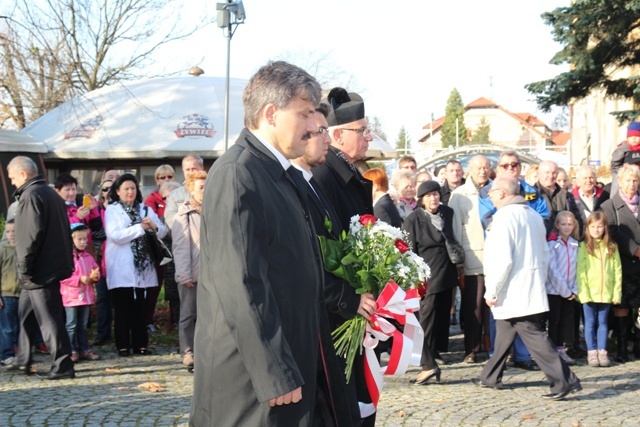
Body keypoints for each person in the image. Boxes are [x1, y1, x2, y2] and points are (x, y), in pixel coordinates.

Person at [191, 61, 355, 426]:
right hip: (252, 378)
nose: (315, 124)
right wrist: (274, 370)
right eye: (305, 113)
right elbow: (242, 283)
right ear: (270, 114)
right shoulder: (239, 173)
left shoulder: (279, 172)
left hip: (296, 355)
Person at [291, 102, 368, 426]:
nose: (325, 139)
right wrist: (349, 298)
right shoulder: (317, 178)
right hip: (326, 318)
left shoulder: (315, 179)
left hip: (340, 311)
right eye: (318, 132)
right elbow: (310, 260)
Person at [472, 175, 581, 400]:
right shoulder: (532, 214)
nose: (489, 196)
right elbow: (544, 254)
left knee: (533, 335)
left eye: (491, 192)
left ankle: (565, 380)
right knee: (504, 332)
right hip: (528, 286)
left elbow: (501, 260)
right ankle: (490, 376)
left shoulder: (503, 218)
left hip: (512, 289)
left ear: (501, 193)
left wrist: (492, 291)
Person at [312, 86, 376, 425]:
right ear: (337, 135)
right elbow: (326, 249)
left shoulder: (347, 174)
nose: (368, 137)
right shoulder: (324, 177)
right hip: (339, 310)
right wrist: (349, 296)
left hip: (355, 305)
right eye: (362, 130)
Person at [3, 156, 75, 380]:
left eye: (13, 178)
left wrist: (24, 268)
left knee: (49, 320)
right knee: (25, 315)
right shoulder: (50, 194)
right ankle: (23, 358)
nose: (13, 183)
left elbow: (28, 237)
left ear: (23, 175)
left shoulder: (31, 195)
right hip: (47, 267)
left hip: (39, 271)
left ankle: (63, 365)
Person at [479, 150, 549, 371]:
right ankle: (493, 370)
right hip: (515, 274)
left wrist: (492, 291)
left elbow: (502, 260)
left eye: (515, 165)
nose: (511, 169)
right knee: (503, 327)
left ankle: (560, 377)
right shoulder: (528, 212)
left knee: (529, 330)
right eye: (505, 165)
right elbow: (486, 218)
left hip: (519, 275)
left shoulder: (522, 201)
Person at [104, 173, 167, 357]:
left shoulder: (145, 209)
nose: (130, 192)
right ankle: (122, 345)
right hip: (121, 265)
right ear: (118, 191)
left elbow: (162, 231)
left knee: (141, 307)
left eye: (133, 188)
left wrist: (153, 226)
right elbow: (115, 235)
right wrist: (140, 228)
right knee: (123, 307)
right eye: (126, 189)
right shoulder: (113, 210)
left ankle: (141, 344)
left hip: (143, 265)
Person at [404, 180, 457, 385]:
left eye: (436, 194)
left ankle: (433, 353)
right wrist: (415, 281)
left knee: (441, 315)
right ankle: (425, 361)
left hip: (447, 272)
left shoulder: (448, 213)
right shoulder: (414, 219)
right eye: (428, 196)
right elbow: (408, 252)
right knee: (425, 318)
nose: (433, 198)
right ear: (421, 200)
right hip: (427, 276)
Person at [448, 155, 492, 364]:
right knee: (472, 306)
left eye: (486, 167)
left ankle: (491, 345)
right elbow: (455, 229)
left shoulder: (496, 190)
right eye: (478, 168)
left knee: (492, 306)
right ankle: (472, 348)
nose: (482, 171)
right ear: (470, 170)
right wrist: (459, 261)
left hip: (494, 257)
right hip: (472, 257)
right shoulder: (459, 195)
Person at [600, 164, 640, 363]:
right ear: (620, 182)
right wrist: (635, 249)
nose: (632, 184)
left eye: (635, 180)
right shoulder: (610, 206)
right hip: (623, 263)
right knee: (622, 306)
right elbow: (614, 231)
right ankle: (622, 347)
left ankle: (638, 345)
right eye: (627, 180)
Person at [171, 170, 207, 371]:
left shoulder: (213, 209)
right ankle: (187, 351)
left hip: (211, 273)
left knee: (206, 314)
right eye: (201, 187)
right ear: (191, 190)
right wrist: (184, 274)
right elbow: (181, 246)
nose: (205, 190)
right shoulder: (184, 213)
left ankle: (203, 350)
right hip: (191, 272)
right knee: (188, 313)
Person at [577, 212, 622, 367]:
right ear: (587, 228)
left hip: (606, 292)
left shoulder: (612, 247)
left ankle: (602, 351)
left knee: (603, 322)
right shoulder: (584, 246)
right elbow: (580, 271)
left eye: (599, 227)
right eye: (593, 227)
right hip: (589, 292)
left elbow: (617, 271)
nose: (596, 230)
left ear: (605, 228)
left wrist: (616, 293)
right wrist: (583, 293)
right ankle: (592, 352)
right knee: (589, 322)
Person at [60, 223, 101, 362]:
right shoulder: (66, 257)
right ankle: (71, 350)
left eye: (85, 239)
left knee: (83, 325)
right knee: (71, 325)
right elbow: (63, 276)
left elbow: (95, 269)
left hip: (86, 296)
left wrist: (95, 276)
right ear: (71, 240)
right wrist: (79, 279)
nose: (83, 242)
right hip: (71, 297)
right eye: (79, 239)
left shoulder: (88, 257)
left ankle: (84, 349)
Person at [545, 211, 580, 366]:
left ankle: (561, 348)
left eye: (570, 224)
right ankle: (552, 351)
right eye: (563, 224)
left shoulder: (575, 244)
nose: (567, 227)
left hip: (570, 291)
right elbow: (552, 270)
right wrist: (564, 291)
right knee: (554, 321)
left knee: (565, 321)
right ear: (557, 225)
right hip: (554, 290)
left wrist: (574, 289)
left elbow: (579, 268)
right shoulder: (552, 244)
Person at [535, 160, 583, 237]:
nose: (551, 176)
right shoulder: (531, 195)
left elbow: (577, 220)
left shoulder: (567, 195)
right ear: (538, 174)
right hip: (540, 241)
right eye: (547, 173)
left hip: (563, 243)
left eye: (554, 173)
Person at [92, 179, 114, 346]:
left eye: (111, 188)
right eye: (105, 188)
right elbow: (94, 233)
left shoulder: (120, 210)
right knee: (103, 298)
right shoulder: (96, 210)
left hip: (118, 260)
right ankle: (103, 333)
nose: (108, 191)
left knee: (120, 299)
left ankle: (120, 333)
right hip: (100, 260)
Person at [163, 155, 205, 229]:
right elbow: (170, 219)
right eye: (187, 170)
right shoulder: (174, 195)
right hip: (183, 235)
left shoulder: (211, 191)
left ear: (202, 168)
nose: (191, 172)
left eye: (194, 169)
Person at [0, 219, 19, 365]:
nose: (11, 234)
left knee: (20, 326)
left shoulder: (23, 248)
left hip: (23, 294)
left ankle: (19, 352)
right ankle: (6, 355)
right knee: (7, 327)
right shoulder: (2, 250)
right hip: (6, 294)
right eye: (8, 231)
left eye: (14, 231)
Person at [610, 121, 640, 195]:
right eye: (631, 136)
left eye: (636, 136)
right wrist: (624, 170)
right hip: (624, 180)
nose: (634, 138)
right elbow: (615, 166)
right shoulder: (622, 150)